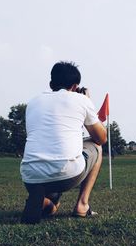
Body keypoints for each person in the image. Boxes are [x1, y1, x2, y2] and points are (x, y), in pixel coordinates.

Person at [20, 61, 107, 224]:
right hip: (67, 175)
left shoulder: (33, 103)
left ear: (51, 83)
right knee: (96, 146)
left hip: (31, 178)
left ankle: (46, 203)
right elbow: (101, 138)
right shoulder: (81, 100)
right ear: (75, 86)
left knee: (51, 156)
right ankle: (82, 205)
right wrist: (87, 101)